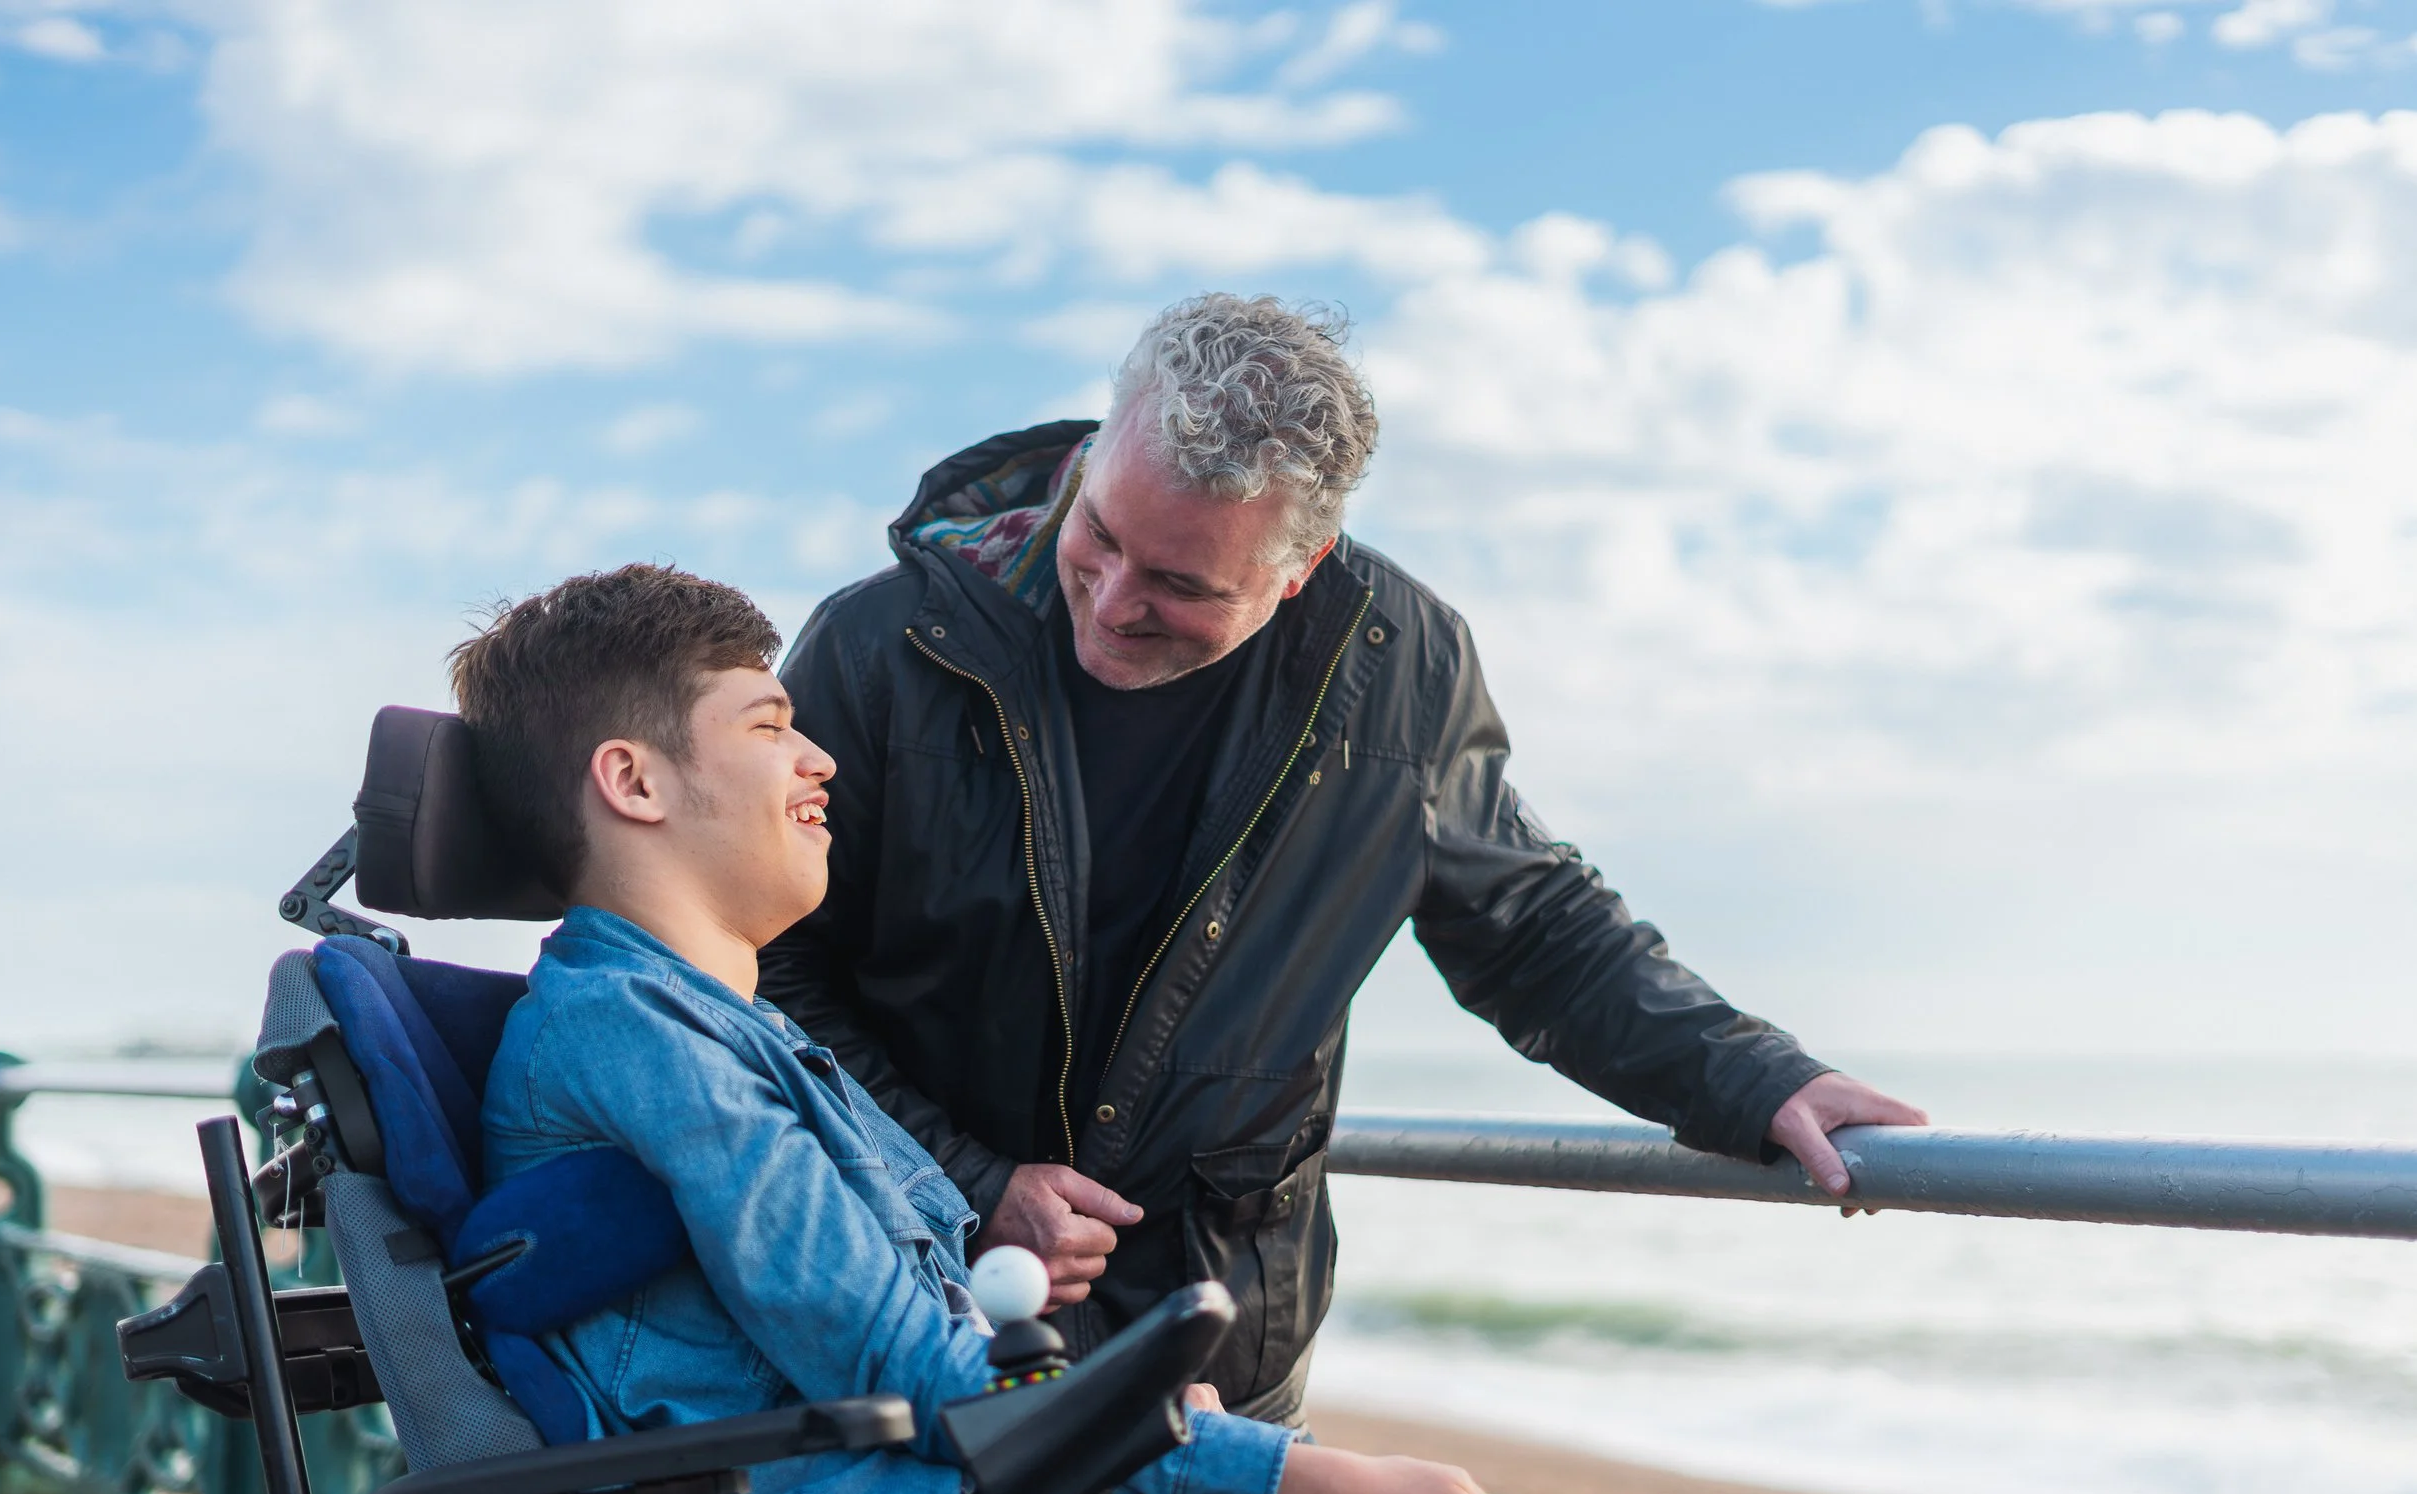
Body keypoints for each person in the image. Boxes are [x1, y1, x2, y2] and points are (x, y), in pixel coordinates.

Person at [457, 564, 1663, 1494]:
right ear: (632, 779)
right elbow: (891, 1360)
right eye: (770, 726)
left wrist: (1133, 1402)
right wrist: (1304, 1481)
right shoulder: (631, 1031)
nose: (818, 759)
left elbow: (930, 1332)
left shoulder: (750, 1029)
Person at [767, 294, 1928, 1420]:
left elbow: (1533, 929)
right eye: (1100, 535)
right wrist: (965, 1184)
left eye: (1181, 584)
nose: (1114, 601)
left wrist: (1752, 1076)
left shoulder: (1401, 664)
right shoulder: (879, 648)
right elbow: (754, 972)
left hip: (1221, 1342)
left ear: (1301, 566)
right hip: (907, 1311)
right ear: (1089, 462)